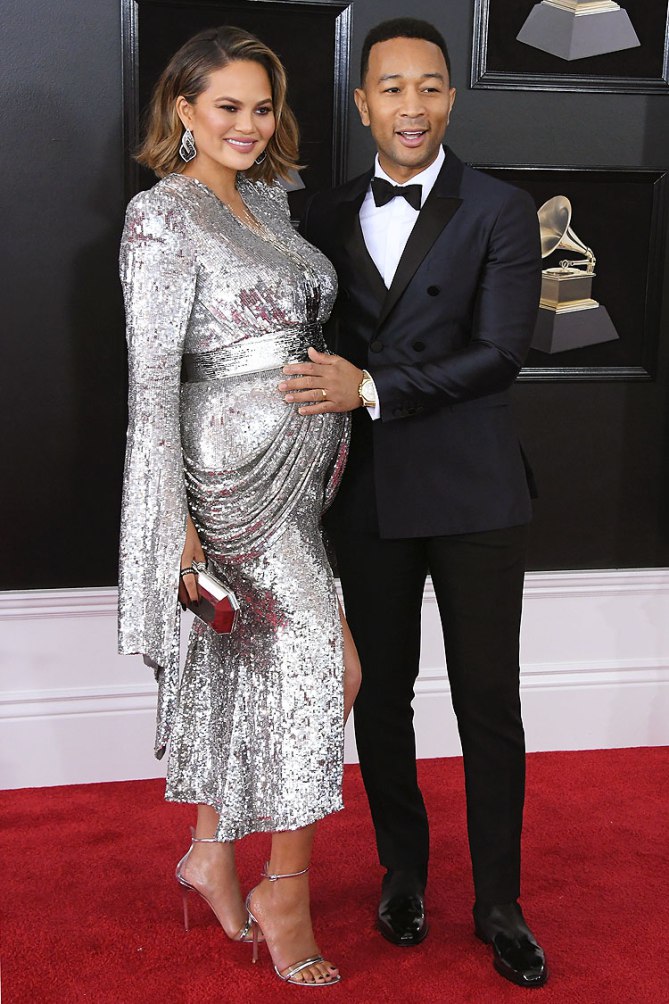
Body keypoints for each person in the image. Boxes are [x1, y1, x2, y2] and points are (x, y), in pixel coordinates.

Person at [282, 17, 548, 990]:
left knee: (489, 703)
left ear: (451, 97)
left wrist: (372, 387)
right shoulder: (320, 213)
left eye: (429, 86)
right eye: (391, 88)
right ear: (362, 103)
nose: (412, 106)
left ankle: (500, 902)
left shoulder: (501, 208)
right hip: (372, 493)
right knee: (382, 692)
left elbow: (500, 352)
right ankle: (403, 873)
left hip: (476, 489)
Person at [117, 25, 360, 988]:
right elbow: (151, 389)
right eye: (227, 106)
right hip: (226, 489)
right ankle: (283, 890)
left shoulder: (266, 199)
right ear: (183, 109)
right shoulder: (160, 216)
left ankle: (210, 852)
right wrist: (174, 529)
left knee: (251, 669)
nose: (249, 125)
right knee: (326, 671)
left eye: (262, 107)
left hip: (299, 484)